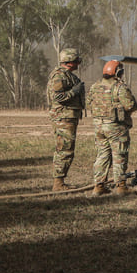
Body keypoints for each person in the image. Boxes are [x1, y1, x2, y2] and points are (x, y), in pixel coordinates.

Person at [85, 60, 137, 196]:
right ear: (118, 73)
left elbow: (88, 105)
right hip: (116, 127)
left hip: (99, 127)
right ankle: (121, 186)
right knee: (119, 155)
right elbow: (130, 105)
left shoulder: (95, 86)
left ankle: (98, 186)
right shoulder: (119, 87)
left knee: (102, 155)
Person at [47, 48, 85, 191]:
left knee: (66, 149)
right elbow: (58, 97)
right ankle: (58, 183)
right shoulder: (59, 76)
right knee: (64, 150)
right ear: (69, 62)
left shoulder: (67, 75)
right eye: (76, 61)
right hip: (63, 118)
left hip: (68, 117)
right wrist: (74, 92)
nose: (78, 64)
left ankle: (60, 181)